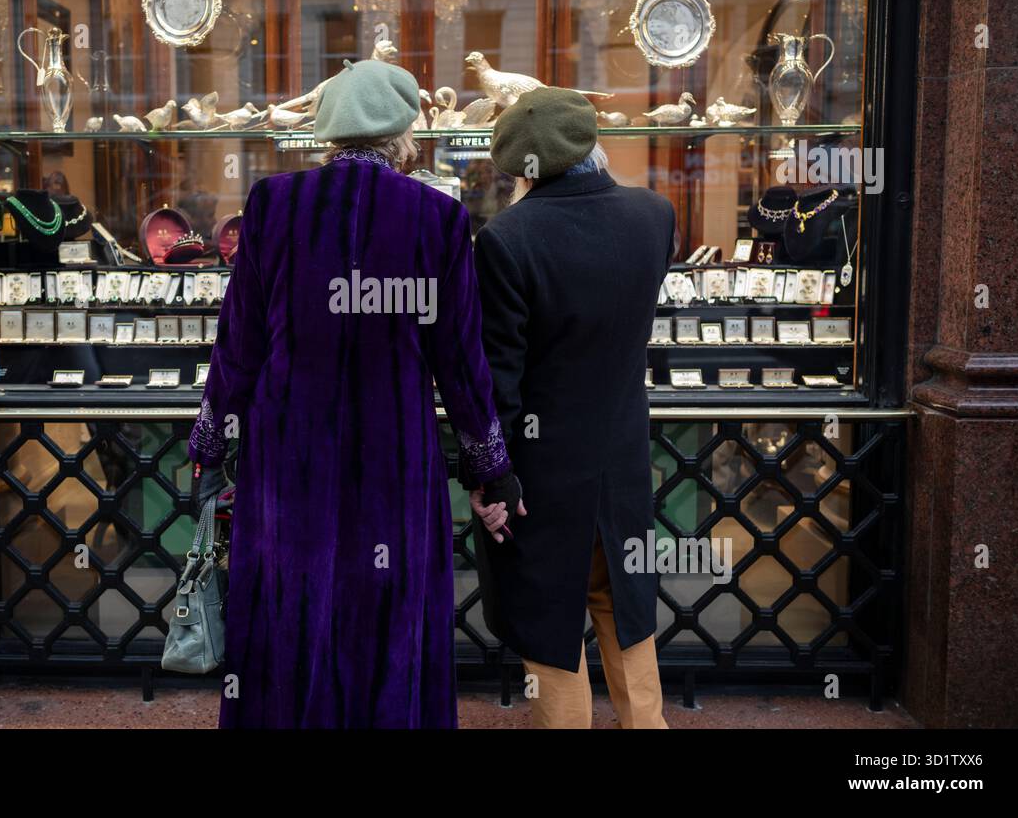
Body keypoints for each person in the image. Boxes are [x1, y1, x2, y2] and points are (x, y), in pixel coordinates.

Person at [186, 58, 521, 728]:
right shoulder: (438, 219)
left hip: (289, 453)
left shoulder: (274, 204)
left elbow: (239, 340)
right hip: (393, 457)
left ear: (329, 132)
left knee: (291, 605)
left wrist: (211, 435)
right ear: (402, 136)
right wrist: (491, 466)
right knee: (388, 609)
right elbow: (460, 361)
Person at [467, 86, 676, 729]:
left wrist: (489, 474)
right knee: (624, 597)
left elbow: (498, 380)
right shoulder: (655, 214)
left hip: (543, 467)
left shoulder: (506, 240)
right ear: (590, 143)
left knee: (549, 605)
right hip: (622, 451)